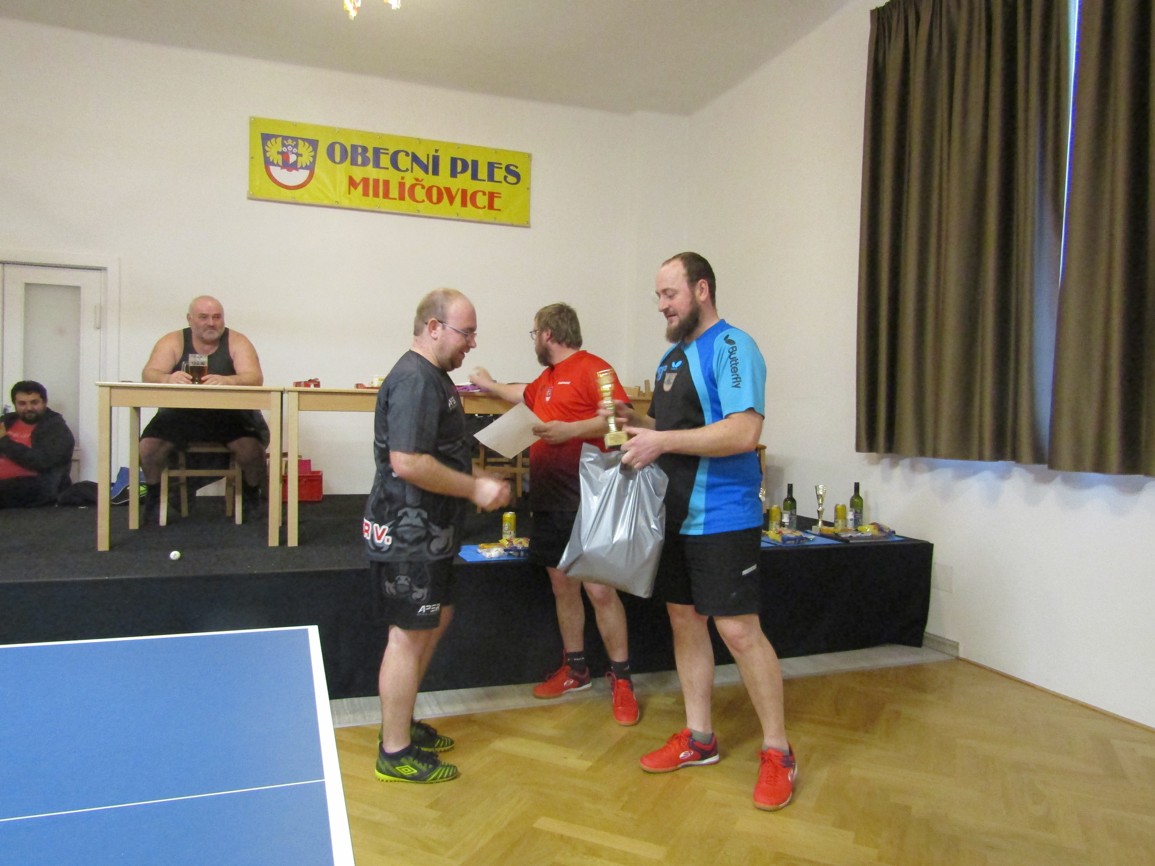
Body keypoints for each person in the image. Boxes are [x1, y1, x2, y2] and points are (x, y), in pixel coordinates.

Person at [613, 252, 797, 812]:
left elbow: (742, 432)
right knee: (684, 621)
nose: (662, 305)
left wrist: (662, 440)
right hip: (675, 515)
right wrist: (639, 423)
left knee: (739, 632)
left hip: (723, 516)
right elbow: (678, 428)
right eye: (658, 296)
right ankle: (700, 738)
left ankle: (778, 751)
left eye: (669, 294)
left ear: (701, 289)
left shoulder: (733, 346)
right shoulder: (672, 358)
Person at [365, 288, 511, 784]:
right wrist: (475, 487)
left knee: (437, 617)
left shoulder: (436, 378)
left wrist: (475, 477)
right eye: (465, 332)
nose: (472, 342)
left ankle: (400, 720)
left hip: (433, 532)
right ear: (433, 328)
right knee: (408, 636)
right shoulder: (414, 380)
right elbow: (407, 462)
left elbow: (439, 452)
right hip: (408, 533)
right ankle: (394, 751)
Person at [469, 303, 639, 725]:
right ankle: (576, 669)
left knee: (600, 591)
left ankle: (622, 680)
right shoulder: (544, 380)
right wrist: (488, 383)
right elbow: (519, 393)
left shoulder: (594, 368)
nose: (534, 341)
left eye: (534, 334)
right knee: (563, 586)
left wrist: (570, 430)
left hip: (589, 499)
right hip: (548, 499)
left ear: (547, 333)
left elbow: (616, 420)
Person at [139, 296, 267, 520]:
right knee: (147, 447)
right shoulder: (173, 341)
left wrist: (229, 380)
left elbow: (255, 378)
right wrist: (167, 378)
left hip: (228, 416)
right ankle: (155, 495)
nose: (211, 323)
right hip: (179, 415)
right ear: (190, 319)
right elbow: (149, 373)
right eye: (204, 317)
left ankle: (251, 496)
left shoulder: (237, 341)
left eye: (217, 317)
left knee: (252, 450)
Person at [0, 381, 76, 509]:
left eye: (34, 402)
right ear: (15, 404)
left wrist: (4, 441)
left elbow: (41, 461)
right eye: (22, 403)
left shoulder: (57, 429)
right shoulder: (6, 422)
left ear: (44, 402)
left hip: (36, 489)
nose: (29, 408)